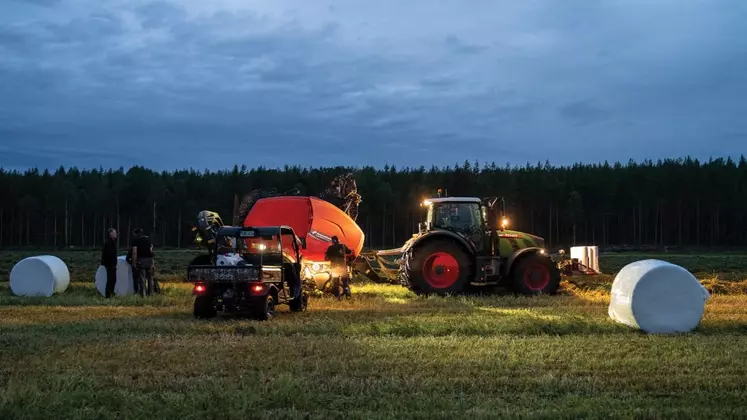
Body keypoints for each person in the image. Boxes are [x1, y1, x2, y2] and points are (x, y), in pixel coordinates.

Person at [129, 228, 160, 296]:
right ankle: (151, 294)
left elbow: (134, 253)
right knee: (150, 278)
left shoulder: (136, 241)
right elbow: (150, 251)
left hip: (142, 260)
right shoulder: (148, 240)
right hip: (150, 260)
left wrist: (134, 264)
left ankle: (143, 295)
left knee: (142, 279)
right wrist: (153, 263)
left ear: (136, 234)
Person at [100, 228, 118, 298]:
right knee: (110, 280)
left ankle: (111, 292)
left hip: (112, 264)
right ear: (110, 234)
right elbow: (107, 254)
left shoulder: (113, 242)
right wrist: (108, 264)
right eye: (114, 232)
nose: (116, 234)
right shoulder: (108, 243)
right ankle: (108, 294)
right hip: (110, 264)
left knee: (113, 280)